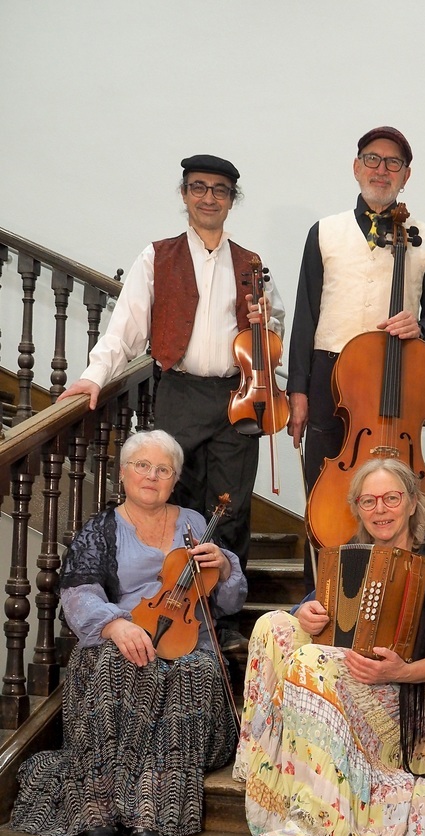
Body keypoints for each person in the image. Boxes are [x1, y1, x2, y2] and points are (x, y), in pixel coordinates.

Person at [231, 458, 425, 836]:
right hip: (347, 677)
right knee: (271, 625)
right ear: (358, 508)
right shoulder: (349, 555)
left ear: (412, 503)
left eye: (391, 498)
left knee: (309, 660)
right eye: (369, 501)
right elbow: (308, 609)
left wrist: (400, 671)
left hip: (412, 691)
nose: (381, 509)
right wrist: (304, 611)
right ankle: (271, 790)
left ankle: (319, 825)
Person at [10, 430, 247, 836]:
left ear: (174, 480)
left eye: (163, 470)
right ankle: (97, 806)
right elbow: (78, 592)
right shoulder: (102, 528)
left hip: (189, 638)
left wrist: (225, 570)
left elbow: (229, 601)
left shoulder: (196, 524)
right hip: (123, 632)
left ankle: (156, 810)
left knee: (196, 671)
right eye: (142, 466)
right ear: (123, 474)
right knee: (113, 663)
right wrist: (116, 625)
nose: (151, 477)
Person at [58, 153, 285, 578]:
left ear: (231, 200)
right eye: (198, 187)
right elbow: (124, 328)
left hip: (237, 397)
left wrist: (265, 322)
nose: (209, 198)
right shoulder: (157, 256)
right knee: (176, 500)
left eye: (219, 190)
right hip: (179, 392)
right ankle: (175, 604)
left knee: (230, 507)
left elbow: (276, 330)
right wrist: (93, 377)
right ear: (184, 194)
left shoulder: (251, 263)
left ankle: (223, 615)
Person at [287, 126, 425, 584]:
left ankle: (398, 596)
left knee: (396, 491)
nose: (382, 170)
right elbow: (305, 315)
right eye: (373, 159)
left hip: (394, 382)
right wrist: (297, 392)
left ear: (407, 175)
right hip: (329, 375)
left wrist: (419, 327)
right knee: (324, 493)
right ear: (357, 166)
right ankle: (317, 600)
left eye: (393, 163)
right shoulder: (324, 232)